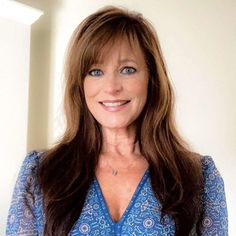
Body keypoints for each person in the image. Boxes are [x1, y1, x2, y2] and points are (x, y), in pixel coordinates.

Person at [6, 6, 228, 236]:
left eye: (128, 69)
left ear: (151, 79)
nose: (111, 87)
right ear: (80, 84)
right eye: (95, 71)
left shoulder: (199, 177)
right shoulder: (39, 173)